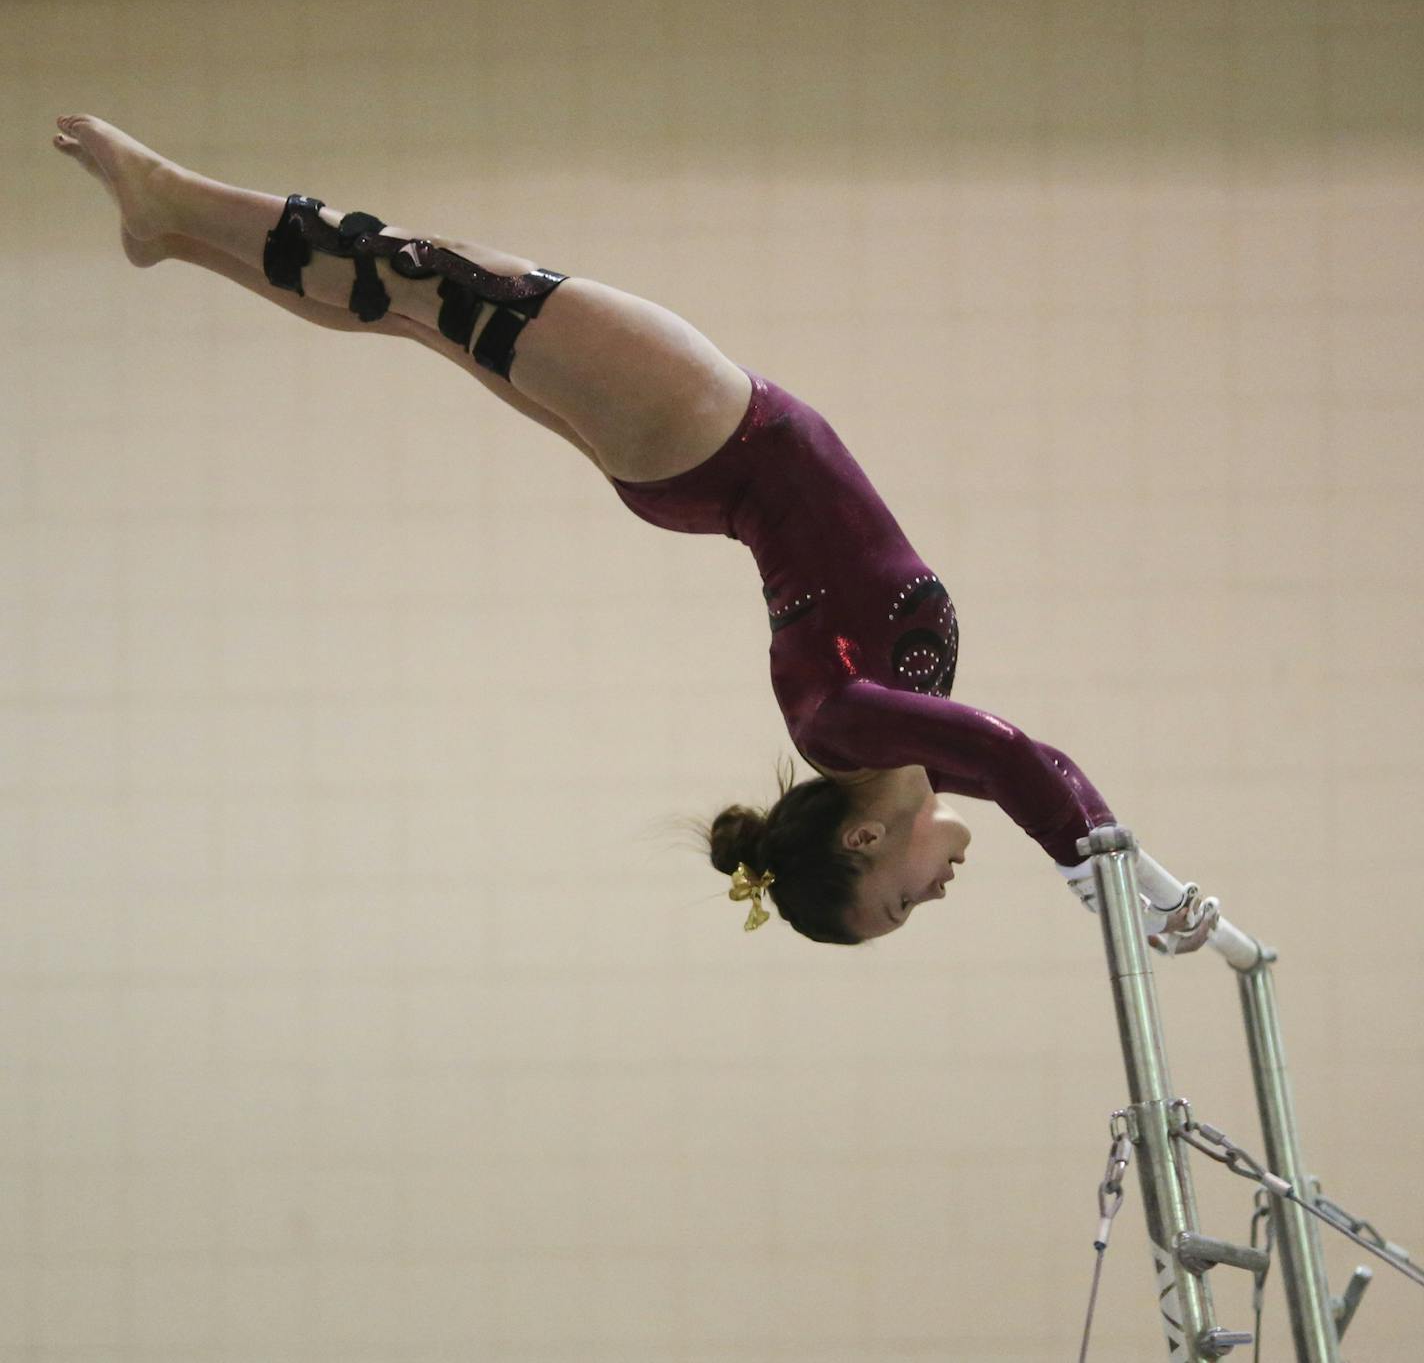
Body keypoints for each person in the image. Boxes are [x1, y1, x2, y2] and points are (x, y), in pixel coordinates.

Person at [52, 114, 1216, 952]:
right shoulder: (896, 746)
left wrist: (1119, 889)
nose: (933, 896)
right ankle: (181, 234)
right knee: (412, 306)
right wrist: (1132, 886)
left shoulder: (849, 730)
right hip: (701, 464)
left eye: (898, 901)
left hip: (710, 438)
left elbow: (1026, 766)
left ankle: (171, 198)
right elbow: (1022, 771)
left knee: (417, 273)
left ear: (863, 844)